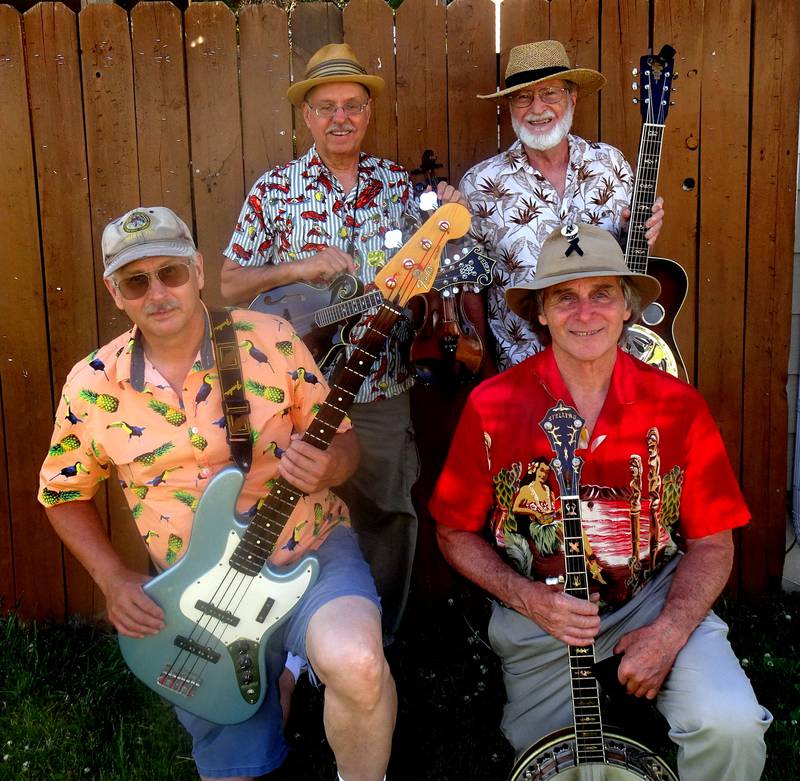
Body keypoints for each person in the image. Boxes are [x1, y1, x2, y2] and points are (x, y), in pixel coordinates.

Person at [39, 206, 395, 781]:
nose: (157, 292)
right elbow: (61, 494)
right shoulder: (92, 387)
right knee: (242, 766)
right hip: (196, 597)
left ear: (199, 271)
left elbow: (347, 445)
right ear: (115, 292)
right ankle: (278, 675)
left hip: (306, 549)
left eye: (171, 272)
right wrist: (111, 576)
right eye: (136, 280)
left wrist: (329, 466)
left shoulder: (273, 341)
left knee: (357, 665)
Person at [430, 223, 772, 779]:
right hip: (543, 616)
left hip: (652, 596)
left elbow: (713, 541)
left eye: (602, 294)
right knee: (547, 767)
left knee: (730, 725)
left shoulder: (677, 405)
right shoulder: (492, 406)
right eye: (565, 296)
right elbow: (452, 531)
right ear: (541, 312)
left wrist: (669, 631)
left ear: (626, 307)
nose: (584, 313)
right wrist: (524, 597)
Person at [220, 42, 463, 637]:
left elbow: (441, 267)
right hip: (296, 396)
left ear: (368, 112)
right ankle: (296, 646)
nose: (340, 118)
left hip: (379, 386)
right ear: (306, 115)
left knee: (387, 511)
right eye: (326, 106)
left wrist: (452, 217)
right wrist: (293, 270)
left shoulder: (400, 187)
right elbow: (228, 284)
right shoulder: (274, 189)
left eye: (352, 105)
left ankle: (374, 645)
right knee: (288, 513)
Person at [461, 39, 665, 370]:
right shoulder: (479, 185)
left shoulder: (611, 164)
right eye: (523, 97)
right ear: (510, 107)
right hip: (523, 370)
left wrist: (643, 231)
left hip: (611, 364)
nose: (537, 108)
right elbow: (472, 289)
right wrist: (483, 374)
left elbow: (631, 263)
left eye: (550, 94)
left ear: (572, 98)